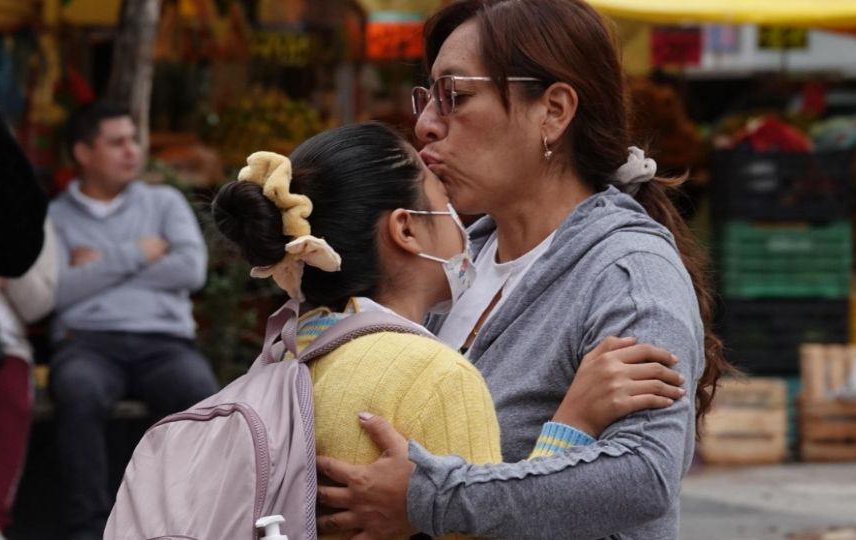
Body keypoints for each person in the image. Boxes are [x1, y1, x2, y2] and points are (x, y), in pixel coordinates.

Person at [314, 1, 733, 539]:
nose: (425, 125)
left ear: (553, 111)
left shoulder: (628, 272)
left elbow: (644, 477)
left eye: (455, 97)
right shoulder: (456, 260)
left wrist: (430, 499)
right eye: (428, 97)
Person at [212, 122, 686, 539]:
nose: (428, 123)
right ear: (406, 230)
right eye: (442, 199)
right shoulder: (435, 375)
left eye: (455, 98)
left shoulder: (288, 353)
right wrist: (572, 426)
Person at [47, 102, 219, 540]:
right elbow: (56, 291)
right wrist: (137, 253)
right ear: (83, 153)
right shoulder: (55, 216)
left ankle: (183, 526)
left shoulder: (164, 202)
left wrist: (96, 267)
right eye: (117, 142)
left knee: (200, 395)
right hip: (86, 342)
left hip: (164, 344)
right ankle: (87, 529)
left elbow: (189, 270)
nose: (132, 151)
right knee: (77, 391)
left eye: (134, 140)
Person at [0, 219, 58, 540]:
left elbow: (38, 306)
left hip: (5, 343)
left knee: (13, 404)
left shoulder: (28, 212)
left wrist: (6, 269)